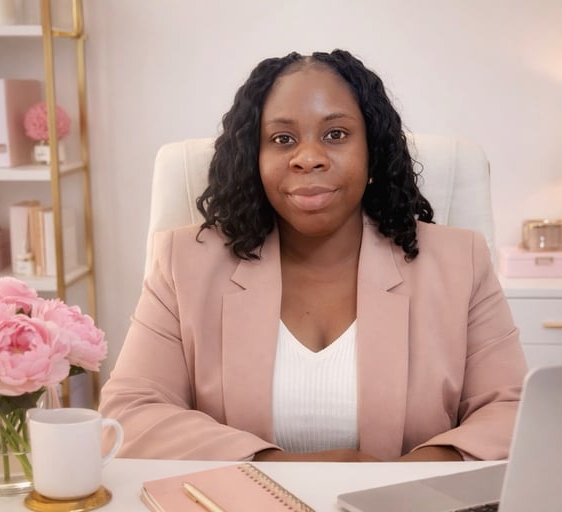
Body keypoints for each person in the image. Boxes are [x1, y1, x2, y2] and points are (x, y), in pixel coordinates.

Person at [99, 49, 527, 462]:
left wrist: (406, 476)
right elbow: (130, 414)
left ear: (371, 149)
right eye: (282, 139)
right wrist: (280, 467)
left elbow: (513, 411)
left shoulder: (460, 261)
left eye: (335, 134)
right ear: (255, 158)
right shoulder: (183, 263)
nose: (308, 158)